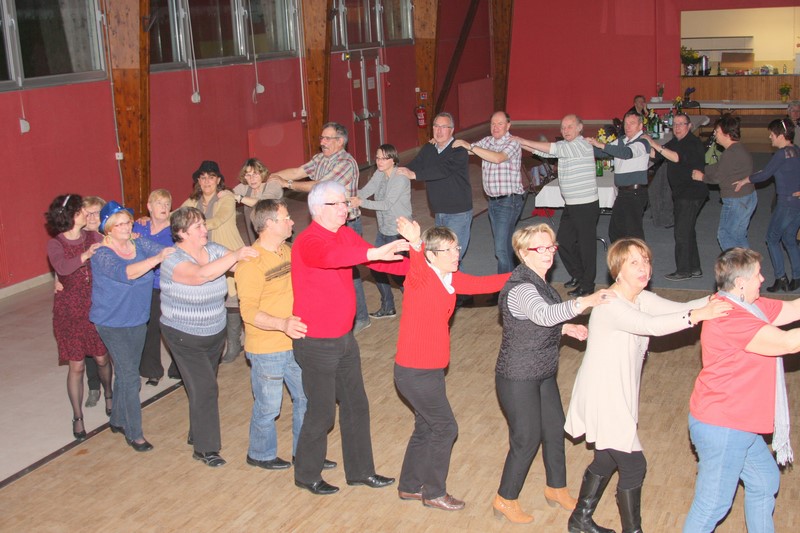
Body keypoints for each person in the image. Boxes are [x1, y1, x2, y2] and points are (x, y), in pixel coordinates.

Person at [564, 238, 730, 533]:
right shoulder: (610, 303)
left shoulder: (640, 296)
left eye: (646, 261)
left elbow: (678, 308)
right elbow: (650, 325)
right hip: (603, 395)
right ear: (618, 270)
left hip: (618, 392)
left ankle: (579, 520)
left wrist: (718, 300)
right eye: (634, 263)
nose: (644, 268)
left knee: (606, 458)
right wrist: (697, 316)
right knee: (633, 465)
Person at [291, 181, 408, 495]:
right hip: (316, 343)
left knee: (356, 405)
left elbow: (374, 259)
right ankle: (306, 473)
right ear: (318, 209)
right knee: (322, 412)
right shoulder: (308, 241)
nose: (346, 208)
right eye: (338, 204)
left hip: (344, 338)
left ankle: (360, 472)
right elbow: (332, 257)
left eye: (345, 202)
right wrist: (373, 251)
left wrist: (420, 265)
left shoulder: (343, 233)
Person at [492, 224, 614, 523]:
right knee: (527, 438)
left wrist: (565, 328)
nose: (548, 254)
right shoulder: (521, 287)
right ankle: (505, 499)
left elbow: (535, 323)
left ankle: (556, 488)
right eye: (540, 248)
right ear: (523, 253)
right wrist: (587, 301)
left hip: (543, 370)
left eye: (551, 247)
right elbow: (543, 314)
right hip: (518, 375)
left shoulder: (540, 282)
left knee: (554, 429)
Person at [391, 216, 508, 511]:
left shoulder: (450, 278)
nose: (457, 254)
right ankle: (434, 492)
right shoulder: (419, 278)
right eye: (449, 250)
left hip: (429, 369)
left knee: (426, 426)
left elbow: (484, 284)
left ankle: (409, 486)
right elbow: (417, 263)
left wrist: (525, 274)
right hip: (415, 372)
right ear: (431, 255)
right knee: (445, 428)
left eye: (456, 248)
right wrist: (415, 243)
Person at [683, 247, 800, 532]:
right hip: (724, 426)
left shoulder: (749, 306)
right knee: (712, 505)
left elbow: (794, 309)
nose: (763, 278)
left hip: (738, 424)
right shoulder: (729, 317)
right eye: (758, 274)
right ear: (740, 283)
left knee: (764, 481)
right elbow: (788, 343)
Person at [235, 199, 337, 471]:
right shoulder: (251, 263)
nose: (292, 221)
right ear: (269, 224)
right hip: (267, 348)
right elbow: (248, 311)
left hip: (296, 343)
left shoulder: (287, 251)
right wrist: (282, 324)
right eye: (286, 218)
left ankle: (303, 453)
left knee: (306, 398)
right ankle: (260, 454)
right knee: (269, 407)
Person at [159, 207, 258, 467]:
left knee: (201, 386)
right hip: (183, 335)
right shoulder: (172, 260)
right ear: (182, 233)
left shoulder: (213, 250)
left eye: (204, 224)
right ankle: (206, 449)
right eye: (198, 227)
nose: (205, 229)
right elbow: (201, 275)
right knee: (206, 388)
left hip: (214, 332)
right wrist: (235, 254)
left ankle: (197, 432)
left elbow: (240, 266)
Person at [91, 201, 174, 452]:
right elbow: (127, 272)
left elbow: (166, 250)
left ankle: (117, 419)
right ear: (108, 228)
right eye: (120, 224)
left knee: (126, 371)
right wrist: (157, 259)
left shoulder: (139, 244)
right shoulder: (102, 254)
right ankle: (134, 432)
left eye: (128, 222)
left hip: (137, 318)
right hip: (111, 322)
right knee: (130, 376)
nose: (127, 227)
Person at [271, 122, 371, 333]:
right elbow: (297, 171)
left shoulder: (346, 163)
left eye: (327, 138)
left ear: (340, 141)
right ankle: (336, 313)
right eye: (322, 138)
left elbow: (319, 186)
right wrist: (271, 178)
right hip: (327, 225)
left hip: (347, 225)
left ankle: (361, 317)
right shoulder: (320, 159)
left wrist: (286, 184)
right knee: (331, 272)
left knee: (349, 273)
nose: (322, 142)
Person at [45, 194, 112, 441]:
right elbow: (63, 268)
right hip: (69, 312)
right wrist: (86, 255)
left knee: (102, 358)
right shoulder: (56, 244)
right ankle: (78, 416)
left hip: (94, 307)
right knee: (77, 365)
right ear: (73, 215)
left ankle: (109, 394)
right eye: (82, 210)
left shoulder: (93, 237)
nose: (87, 213)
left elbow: (117, 249)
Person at [514, 114, 599, 297]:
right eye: (563, 127)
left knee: (586, 247)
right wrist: (520, 144)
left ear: (580, 128)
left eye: (569, 126)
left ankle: (588, 285)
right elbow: (546, 152)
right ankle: (578, 275)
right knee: (564, 241)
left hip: (585, 204)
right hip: (572, 204)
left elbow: (553, 148)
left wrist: (523, 140)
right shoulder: (566, 146)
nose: (565, 130)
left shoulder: (581, 145)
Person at [181, 160, 246, 363]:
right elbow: (177, 216)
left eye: (211, 177)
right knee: (213, 300)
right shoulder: (194, 201)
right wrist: (154, 220)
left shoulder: (226, 197)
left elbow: (218, 220)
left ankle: (234, 344)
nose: (207, 181)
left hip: (227, 253)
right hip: (204, 256)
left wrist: (189, 227)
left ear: (218, 180)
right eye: (203, 178)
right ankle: (216, 344)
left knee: (234, 299)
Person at [732, 119, 800, 293]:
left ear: (780, 135)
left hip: (786, 203)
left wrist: (745, 180)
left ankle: (781, 277)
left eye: (771, 134)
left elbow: (765, 174)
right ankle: (797, 277)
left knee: (772, 238)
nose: (770, 137)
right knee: (789, 238)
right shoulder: (796, 150)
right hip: (797, 203)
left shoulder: (782, 154)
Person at [453, 111, 524, 275]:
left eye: (500, 124)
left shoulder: (513, 143)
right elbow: (466, 150)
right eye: (493, 124)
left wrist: (470, 146)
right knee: (504, 246)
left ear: (508, 126)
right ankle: (513, 280)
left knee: (501, 249)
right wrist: (442, 143)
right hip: (493, 201)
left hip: (509, 201)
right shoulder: (487, 141)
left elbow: (498, 158)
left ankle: (504, 285)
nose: (495, 127)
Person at [397, 112, 473, 264]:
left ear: (452, 130)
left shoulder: (459, 150)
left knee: (453, 258)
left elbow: (442, 170)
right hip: (439, 212)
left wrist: (414, 175)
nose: (439, 130)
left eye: (443, 127)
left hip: (458, 212)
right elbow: (415, 164)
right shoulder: (429, 148)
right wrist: (397, 172)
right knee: (442, 258)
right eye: (436, 126)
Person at [348, 143, 411, 318]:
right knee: (377, 268)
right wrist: (349, 195)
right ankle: (388, 306)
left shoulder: (400, 178)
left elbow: (386, 204)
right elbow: (366, 191)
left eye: (384, 158)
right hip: (383, 229)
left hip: (399, 231)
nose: (379, 161)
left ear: (393, 159)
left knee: (399, 274)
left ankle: (416, 303)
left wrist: (360, 203)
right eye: (377, 158)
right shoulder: (379, 173)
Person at [645, 112, 707, 281]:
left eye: (681, 124)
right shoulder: (676, 141)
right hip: (682, 193)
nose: (677, 127)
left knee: (681, 232)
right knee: (688, 231)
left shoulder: (692, 143)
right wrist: (642, 145)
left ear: (689, 126)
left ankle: (683, 270)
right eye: (675, 124)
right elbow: (657, 154)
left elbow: (675, 157)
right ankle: (694, 268)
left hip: (691, 193)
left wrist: (653, 143)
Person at [133, 189, 180, 385]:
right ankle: (152, 370)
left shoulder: (175, 230)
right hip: (142, 284)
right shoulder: (139, 225)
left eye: (167, 204)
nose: (164, 207)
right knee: (149, 327)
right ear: (149, 207)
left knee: (172, 328)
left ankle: (179, 367)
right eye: (159, 203)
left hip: (166, 284)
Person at [691, 114, 755, 251]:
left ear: (726, 134)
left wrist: (702, 177)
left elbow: (717, 178)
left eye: (717, 132)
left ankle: (735, 264)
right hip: (747, 197)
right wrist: (702, 168)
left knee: (725, 235)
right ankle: (748, 263)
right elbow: (721, 167)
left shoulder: (730, 153)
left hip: (736, 200)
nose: (715, 135)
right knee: (739, 236)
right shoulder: (738, 148)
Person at [588, 112, 651, 243]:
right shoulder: (622, 140)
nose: (627, 127)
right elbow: (602, 153)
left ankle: (640, 255)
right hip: (623, 193)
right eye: (626, 123)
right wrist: (585, 146)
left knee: (633, 234)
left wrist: (601, 145)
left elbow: (626, 153)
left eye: (632, 123)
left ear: (640, 126)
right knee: (615, 231)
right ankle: (622, 255)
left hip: (635, 193)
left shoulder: (643, 142)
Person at [231, 158, 283, 245]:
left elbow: (261, 204)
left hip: (275, 230)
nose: (252, 179)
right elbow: (228, 194)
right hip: (255, 233)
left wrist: (239, 197)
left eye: (255, 174)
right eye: (248, 175)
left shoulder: (273, 185)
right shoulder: (245, 187)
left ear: (262, 174)